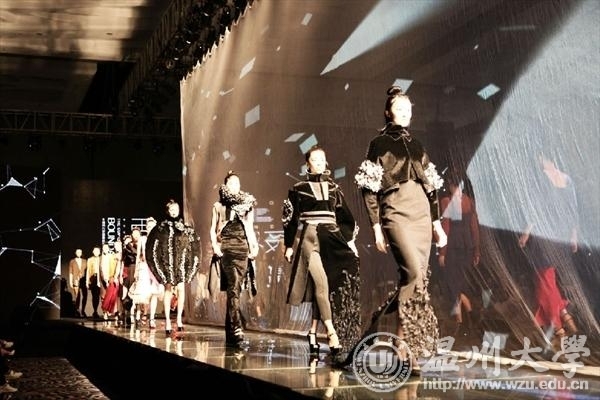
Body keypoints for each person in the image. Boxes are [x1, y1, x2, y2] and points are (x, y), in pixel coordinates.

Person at [354, 86, 447, 374]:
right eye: (399, 108)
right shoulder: (378, 144)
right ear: (388, 112)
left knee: (417, 282)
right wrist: (376, 227)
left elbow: (431, 188)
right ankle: (387, 334)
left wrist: (437, 223)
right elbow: (369, 189)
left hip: (421, 214)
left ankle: (404, 347)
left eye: (408, 108)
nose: (405, 112)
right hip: (394, 210)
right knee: (413, 274)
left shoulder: (417, 145)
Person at [282, 145, 361, 362]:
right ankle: (332, 333)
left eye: (321, 159)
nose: (318, 163)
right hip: (310, 238)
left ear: (326, 162)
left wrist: (349, 242)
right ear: (307, 164)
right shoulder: (298, 188)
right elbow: (290, 218)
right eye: (314, 160)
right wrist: (289, 245)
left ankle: (312, 332)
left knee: (324, 287)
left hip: (332, 240)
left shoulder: (335, 188)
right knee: (322, 283)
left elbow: (346, 218)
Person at [518, 152, 579, 351]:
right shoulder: (567, 179)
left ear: (546, 160)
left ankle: (559, 327)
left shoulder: (542, 179)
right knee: (547, 279)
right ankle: (564, 316)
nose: (538, 162)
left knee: (543, 282)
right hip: (561, 235)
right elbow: (573, 210)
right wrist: (574, 235)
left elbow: (537, 210)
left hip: (545, 235)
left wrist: (526, 232)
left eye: (540, 158)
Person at [210, 171, 259, 347]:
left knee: (236, 289)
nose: (235, 186)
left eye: (237, 183)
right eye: (231, 183)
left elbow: (250, 227)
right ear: (226, 185)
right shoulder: (219, 205)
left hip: (242, 247)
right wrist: (215, 246)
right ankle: (237, 327)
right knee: (234, 285)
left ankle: (230, 334)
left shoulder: (247, 205)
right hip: (227, 248)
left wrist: (254, 246)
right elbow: (212, 229)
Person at [146, 199, 201, 336]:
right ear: (168, 211)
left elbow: (192, 246)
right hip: (168, 264)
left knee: (181, 289)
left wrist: (190, 264)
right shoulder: (161, 228)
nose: (174, 211)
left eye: (176, 209)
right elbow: (153, 246)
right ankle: (167, 321)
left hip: (181, 264)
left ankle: (179, 319)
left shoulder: (186, 229)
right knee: (168, 289)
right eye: (171, 209)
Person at [438, 174, 481, 339]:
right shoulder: (469, 201)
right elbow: (474, 227)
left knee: (453, 285)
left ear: (451, 184)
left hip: (453, 246)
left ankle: (462, 321)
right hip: (467, 246)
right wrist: (476, 250)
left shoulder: (446, 201)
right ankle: (467, 319)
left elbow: (446, 228)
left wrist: (442, 252)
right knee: (459, 284)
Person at [68, 248, 87, 317]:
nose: (79, 253)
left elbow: (87, 271)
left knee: (85, 295)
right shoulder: (72, 261)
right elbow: (70, 272)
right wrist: (70, 281)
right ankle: (77, 310)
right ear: (75, 253)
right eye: (78, 252)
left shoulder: (85, 261)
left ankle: (83, 310)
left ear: (81, 253)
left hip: (83, 280)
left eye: (80, 252)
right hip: (75, 280)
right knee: (77, 296)